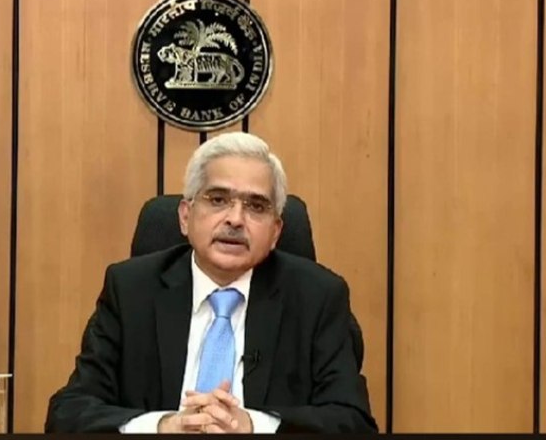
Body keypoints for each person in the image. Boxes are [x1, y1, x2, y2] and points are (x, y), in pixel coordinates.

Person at [44, 132, 376, 433]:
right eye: (218, 200)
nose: (235, 219)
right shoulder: (131, 290)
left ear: (275, 232)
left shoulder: (318, 297)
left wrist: (254, 426)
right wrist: (161, 427)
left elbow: (353, 421)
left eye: (256, 206)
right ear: (185, 216)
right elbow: (68, 413)